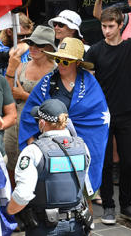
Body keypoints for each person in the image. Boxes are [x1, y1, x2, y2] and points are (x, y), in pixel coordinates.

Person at [84, 0, 131, 225]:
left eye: (110, 26)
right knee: (105, 165)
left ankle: (126, 204)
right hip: (102, 117)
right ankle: (108, 206)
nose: (106, 30)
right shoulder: (94, 51)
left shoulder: (129, 47)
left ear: (120, 26)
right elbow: (87, 83)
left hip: (125, 113)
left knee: (127, 163)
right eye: (104, 26)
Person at [6, 99, 93, 236]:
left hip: (45, 227)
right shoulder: (83, 147)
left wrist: (8, 211)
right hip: (76, 224)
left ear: (42, 123)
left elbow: (22, 195)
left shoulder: (33, 151)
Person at [4, 26, 56, 175]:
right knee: (13, 167)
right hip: (16, 125)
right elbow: (7, 94)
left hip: (42, 127)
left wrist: (24, 95)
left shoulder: (57, 70)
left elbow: (56, 104)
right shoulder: (21, 66)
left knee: (39, 169)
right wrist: (10, 68)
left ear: (48, 48)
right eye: (31, 43)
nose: (32, 48)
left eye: (38, 44)